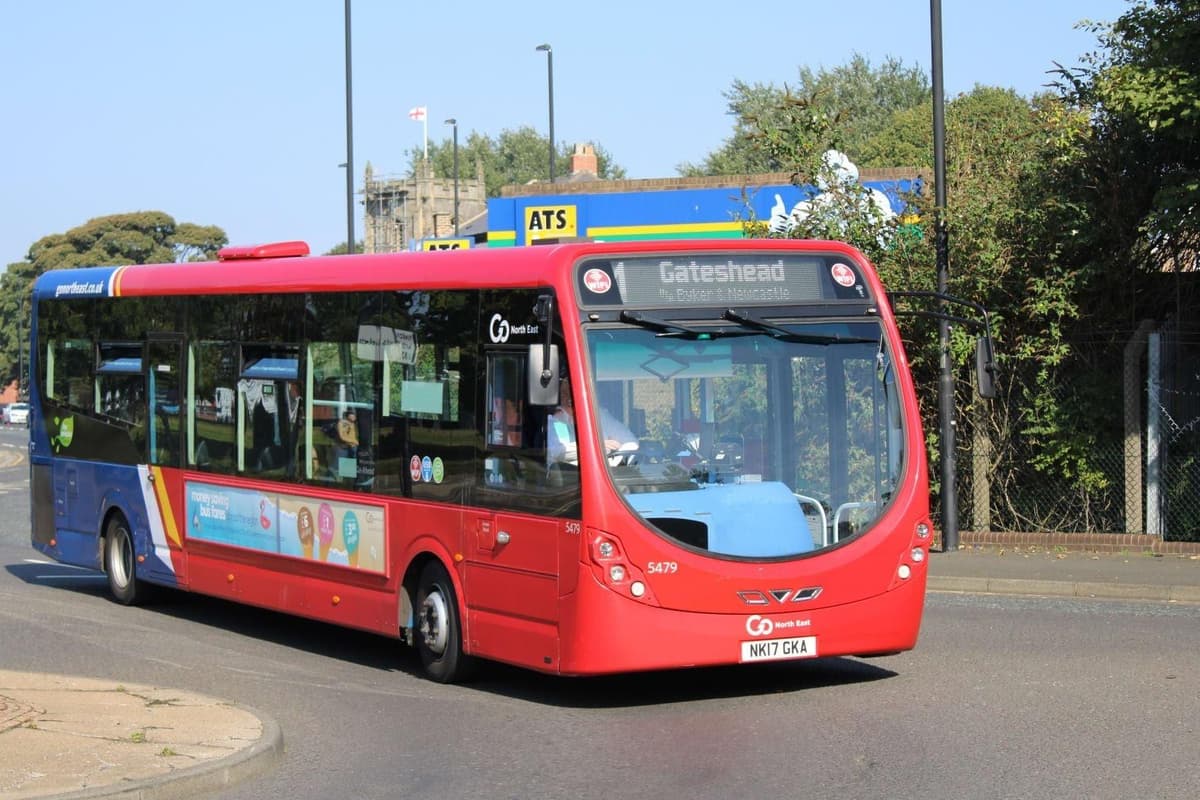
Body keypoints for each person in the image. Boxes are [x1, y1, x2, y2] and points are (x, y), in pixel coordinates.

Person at [547, 377, 637, 465]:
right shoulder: (556, 421)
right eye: (564, 393)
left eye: (572, 391)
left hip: (607, 470)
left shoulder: (599, 415)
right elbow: (557, 452)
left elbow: (631, 442)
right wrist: (598, 446)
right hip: (570, 472)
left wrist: (615, 461)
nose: (568, 398)